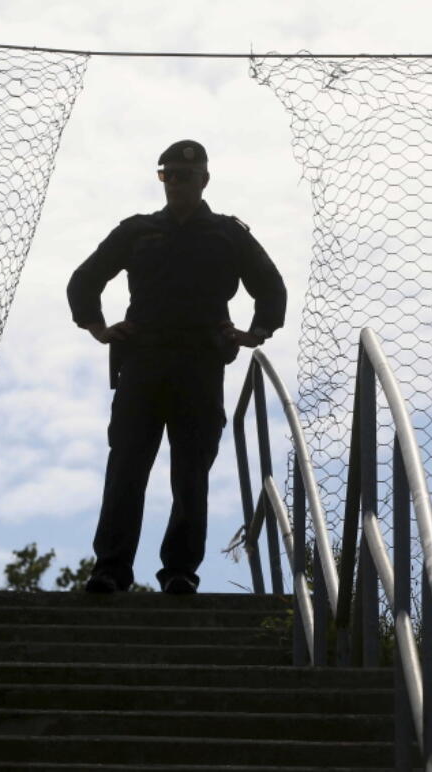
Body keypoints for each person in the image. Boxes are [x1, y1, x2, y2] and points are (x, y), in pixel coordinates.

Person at [67, 140, 287, 595]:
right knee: (126, 469)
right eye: (168, 175)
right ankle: (110, 570)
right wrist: (97, 326)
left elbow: (271, 287)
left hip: (200, 367)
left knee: (191, 475)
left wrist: (256, 333)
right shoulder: (137, 230)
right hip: (143, 364)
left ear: (204, 179)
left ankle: (181, 572)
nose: (177, 183)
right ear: (162, 179)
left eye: (186, 176)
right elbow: (84, 279)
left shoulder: (228, 234)